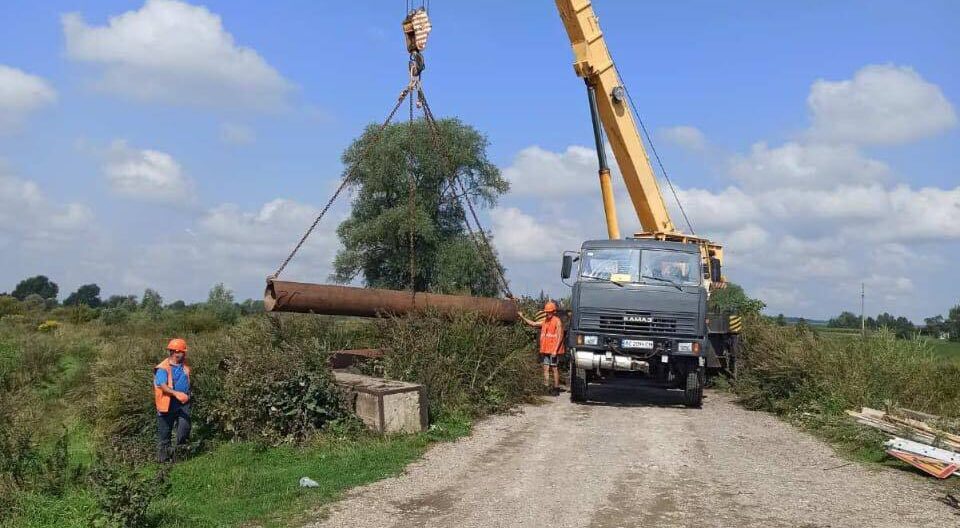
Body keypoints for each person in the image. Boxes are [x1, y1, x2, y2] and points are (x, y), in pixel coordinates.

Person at [154, 338, 192, 463]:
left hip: (183, 404)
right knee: (165, 435)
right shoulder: (163, 368)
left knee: (184, 429)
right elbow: (163, 386)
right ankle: (163, 462)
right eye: (182, 351)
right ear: (175, 352)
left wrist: (187, 394)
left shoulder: (184, 366)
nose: (184, 354)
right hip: (167, 405)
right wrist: (177, 394)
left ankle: (180, 458)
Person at [519, 301, 564, 395]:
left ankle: (556, 388)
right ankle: (546, 387)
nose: (548, 313)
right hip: (546, 349)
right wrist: (522, 317)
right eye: (547, 312)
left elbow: (560, 336)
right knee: (545, 368)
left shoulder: (557, 321)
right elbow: (533, 324)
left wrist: (555, 350)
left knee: (554, 368)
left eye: (549, 312)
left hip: (553, 350)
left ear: (554, 311)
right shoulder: (545, 321)